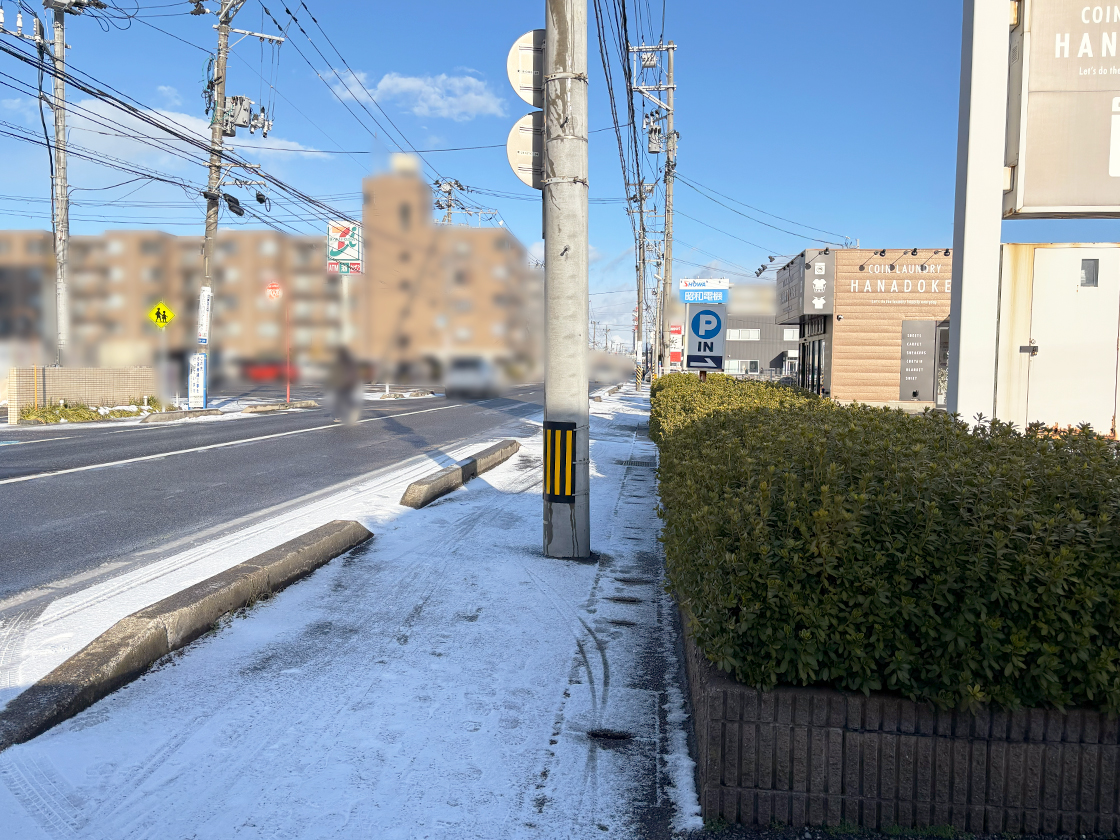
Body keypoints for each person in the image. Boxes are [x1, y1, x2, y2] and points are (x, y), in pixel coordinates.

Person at [326, 346, 361, 425]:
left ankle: (348, 411)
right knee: (341, 399)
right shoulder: (345, 362)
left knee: (342, 399)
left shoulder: (344, 362)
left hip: (344, 383)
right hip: (344, 383)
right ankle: (342, 414)